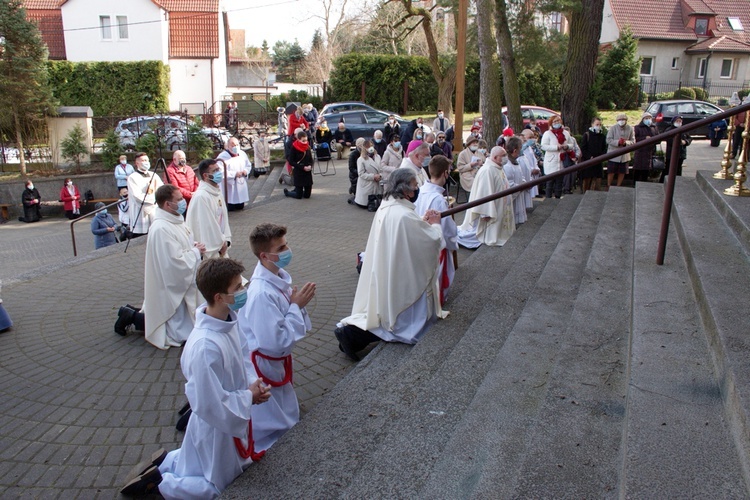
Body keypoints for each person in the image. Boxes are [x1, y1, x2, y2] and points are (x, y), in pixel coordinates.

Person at [121, 258, 271, 499]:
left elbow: (243, 355)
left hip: (228, 415)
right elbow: (209, 403)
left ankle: (168, 462)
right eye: (237, 288)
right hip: (217, 425)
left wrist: (253, 383)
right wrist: (248, 397)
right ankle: (160, 487)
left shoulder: (229, 321)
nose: (243, 291)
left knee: (197, 460)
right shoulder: (204, 346)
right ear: (219, 296)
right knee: (219, 486)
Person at [334, 168, 443, 361]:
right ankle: (352, 335)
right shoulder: (403, 215)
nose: (417, 189)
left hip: (389, 266)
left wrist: (421, 222)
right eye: (415, 185)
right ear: (405, 190)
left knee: (384, 310)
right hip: (401, 273)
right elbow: (431, 241)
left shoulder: (388, 205)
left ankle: (351, 335)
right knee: (397, 321)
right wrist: (434, 225)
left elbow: (407, 232)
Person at [238, 223, 315, 452]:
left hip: (276, 361)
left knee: (282, 405)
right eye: (281, 248)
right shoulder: (261, 293)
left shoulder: (276, 277)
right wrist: (295, 306)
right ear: (264, 255)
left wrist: (294, 306)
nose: (287, 250)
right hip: (266, 362)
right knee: (270, 416)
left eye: (286, 244)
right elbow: (275, 340)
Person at [114, 184, 206, 349]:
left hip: (181, 281)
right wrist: (195, 253)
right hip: (170, 284)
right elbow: (173, 263)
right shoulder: (161, 228)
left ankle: (131, 312)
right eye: (179, 199)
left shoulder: (175, 220)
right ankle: (132, 316)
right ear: (167, 204)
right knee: (168, 323)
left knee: (173, 317)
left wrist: (194, 246)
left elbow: (181, 245)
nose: (183, 201)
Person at [414, 155, 458, 304]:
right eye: (449, 171)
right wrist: (453, 242)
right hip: (435, 245)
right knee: (437, 277)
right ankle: (436, 301)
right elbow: (445, 228)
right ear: (445, 173)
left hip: (419, 243)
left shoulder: (419, 191)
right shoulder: (438, 199)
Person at [456, 146, 515, 248]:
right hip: (489, 212)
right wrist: (485, 212)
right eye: (503, 155)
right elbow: (484, 193)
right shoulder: (487, 170)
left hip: (500, 206)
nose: (506, 157)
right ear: (495, 157)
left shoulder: (497, 167)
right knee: (475, 234)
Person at [186, 159, 231, 259]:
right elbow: (207, 226)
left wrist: (226, 241)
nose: (219, 173)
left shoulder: (216, 192)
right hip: (212, 250)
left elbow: (224, 219)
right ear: (206, 176)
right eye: (215, 171)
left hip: (221, 245)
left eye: (218, 169)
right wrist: (219, 244)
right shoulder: (202, 196)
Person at [127, 152, 164, 236]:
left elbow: (161, 189)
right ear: (137, 163)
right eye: (143, 160)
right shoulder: (132, 177)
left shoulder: (153, 175)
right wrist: (154, 199)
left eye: (147, 160)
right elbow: (137, 196)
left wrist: (158, 198)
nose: (146, 162)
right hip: (140, 213)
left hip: (155, 210)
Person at [541, 115, 573, 199]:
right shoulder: (547, 134)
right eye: (554, 121)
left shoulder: (565, 133)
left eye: (558, 121)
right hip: (551, 161)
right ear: (551, 123)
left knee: (559, 182)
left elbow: (571, 144)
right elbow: (543, 146)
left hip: (561, 160)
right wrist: (556, 147)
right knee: (550, 182)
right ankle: (548, 198)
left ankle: (557, 198)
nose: (556, 123)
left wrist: (567, 147)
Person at [216, 137, 252, 211]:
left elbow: (248, 165)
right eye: (233, 145)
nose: (235, 147)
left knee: (240, 206)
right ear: (228, 146)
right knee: (230, 207)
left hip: (240, 183)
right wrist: (234, 174)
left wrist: (245, 171)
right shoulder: (222, 157)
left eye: (237, 144)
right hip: (230, 186)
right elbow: (220, 171)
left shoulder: (242, 154)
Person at [503, 137, 528, 226]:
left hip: (519, 194)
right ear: (514, 150)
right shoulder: (507, 165)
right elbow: (508, 183)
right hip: (513, 198)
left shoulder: (515, 162)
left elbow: (521, 176)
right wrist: (520, 187)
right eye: (520, 149)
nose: (521, 151)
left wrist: (524, 183)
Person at [606, 113, 635, 188]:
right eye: (620, 119)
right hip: (613, 154)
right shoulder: (613, 128)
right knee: (611, 172)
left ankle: (618, 186)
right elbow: (608, 140)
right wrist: (617, 142)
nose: (621, 121)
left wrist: (626, 143)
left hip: (624, 155)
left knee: (622, 172)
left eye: (623, 119)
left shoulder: (630, 128)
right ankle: (608, 185)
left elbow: (633, 141)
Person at [662, 115, 692, 183]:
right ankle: (665, 182)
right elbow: (668, 139)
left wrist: (685, 142)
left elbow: (689, 138)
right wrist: (678, 141)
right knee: (669, 168)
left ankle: (677, 181)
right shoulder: (669, 130)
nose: (679, 122)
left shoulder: (684, 129)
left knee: (678, 168)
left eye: (680, 121)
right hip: (671, 153)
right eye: (677, 121)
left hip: (681, 153)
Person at [284, 130, 313, 199]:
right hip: (299, 172)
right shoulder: (294, 148)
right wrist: (302, 167)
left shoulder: (307, 147)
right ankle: (288, 193)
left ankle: (297, 190)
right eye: (303, 141)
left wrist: (310, 166)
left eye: (306, 140)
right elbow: (291, 161)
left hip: (307, 173)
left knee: (307, 196)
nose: (305, 142)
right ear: (298, 139)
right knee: (298, 196)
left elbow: (311, 159)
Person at [580, 117, 607, 193]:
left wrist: (601, 156)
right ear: (592, 124)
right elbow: (583, 148)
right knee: (587, 181)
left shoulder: (602, 136)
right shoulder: (587, 135)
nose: (598, 126)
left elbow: (604, 148)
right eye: (597, 124)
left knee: (597, 181)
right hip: (588, 162)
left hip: (598, 162)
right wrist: (589, 156)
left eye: (600, 124)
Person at [354, 140, 383, 210]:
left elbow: (381, 168)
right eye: (369, 146)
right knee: (367, 203)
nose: (371, 148)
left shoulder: (377, 156)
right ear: (365, 148)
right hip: (367, 184)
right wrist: (373, 176)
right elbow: (361, 173)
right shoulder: (361, 159)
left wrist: (380, 176)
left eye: (372, 145)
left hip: (376, 183)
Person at [633, 112, 657, 184]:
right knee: (638, 170)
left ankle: (644, 184)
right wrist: (644, 138)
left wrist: (653, 140)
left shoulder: (654, 128)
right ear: (643, 119)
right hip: (640, 151)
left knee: (646, 171)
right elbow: (635, 139)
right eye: (646, 118)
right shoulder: (637, 128)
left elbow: (658, 138)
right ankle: (635, 183)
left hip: (650, 151)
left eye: (649, 118)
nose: (648, 120)